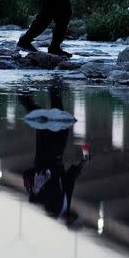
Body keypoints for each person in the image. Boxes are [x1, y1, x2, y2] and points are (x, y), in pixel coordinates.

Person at [20, 84, 88, 227]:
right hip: (56, 159)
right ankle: (53, 90)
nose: (76, 216)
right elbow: (68, 182)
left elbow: (36, 198)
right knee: (58, 123)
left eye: (74, 220)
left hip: (45, 162)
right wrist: (82, 163)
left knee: (45, 125)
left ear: (67, 221)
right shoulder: (65, 206)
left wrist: (38, 188)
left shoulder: (54, 210)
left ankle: (25, 98)